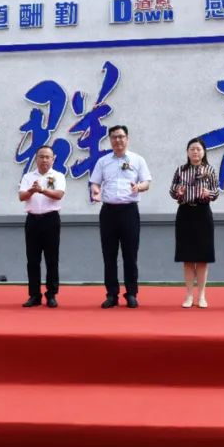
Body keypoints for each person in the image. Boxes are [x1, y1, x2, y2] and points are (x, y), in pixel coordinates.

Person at [89, 125, 151, 309]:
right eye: (114, 137)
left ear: (127, 139)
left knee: (130, 255)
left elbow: (146, 182)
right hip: (108, 212)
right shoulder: (103, 161)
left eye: (121, 136)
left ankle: (131, 293)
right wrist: (95, 191)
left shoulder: (137, 160)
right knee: (109, 255)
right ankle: (111, 294)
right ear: (110, 140)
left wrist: (138, 187)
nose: (118, 140)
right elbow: (94, 183)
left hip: (129, 211)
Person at [168, 137, 220, 308]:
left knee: (203, 257)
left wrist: (208, 193)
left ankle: (202, 295)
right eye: (192, 149)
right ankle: (189, 295)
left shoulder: (210, 170)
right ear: (187, 152)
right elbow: (172, 191)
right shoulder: (180, 170)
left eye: (198, 149)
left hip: (203, 213)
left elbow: (216, 192)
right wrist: (178, 191)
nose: (195, 152)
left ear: (203, 152)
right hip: (185, 213)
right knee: (188, 257)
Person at [18, 145, 66, 308]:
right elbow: (21, 196)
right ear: (36, 158)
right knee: (32, 259)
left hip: (51, 219)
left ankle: (51, 294)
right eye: (41, 156)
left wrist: (42, 190)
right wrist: (32, 190)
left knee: (52, 259)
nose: (44, 160)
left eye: (47, 157)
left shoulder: (58, 176)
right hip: (32, 220)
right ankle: (34, 295)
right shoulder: (28, 177)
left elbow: (59, 194)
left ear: (53, 159)